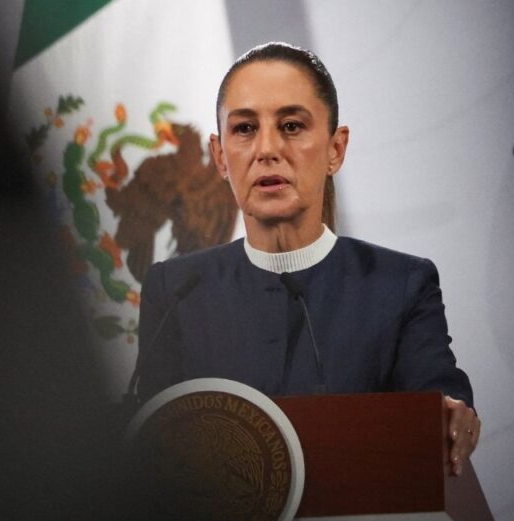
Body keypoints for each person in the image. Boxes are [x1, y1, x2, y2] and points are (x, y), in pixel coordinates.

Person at [136, 42, 480, 475]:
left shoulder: (401, 285)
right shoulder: (176, 291)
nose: (267, 149)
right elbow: (151, 448)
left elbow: (438, 402)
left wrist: (451, 415)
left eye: (292, 126)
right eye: (245, 128)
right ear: (220, 157)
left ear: (336, 149)